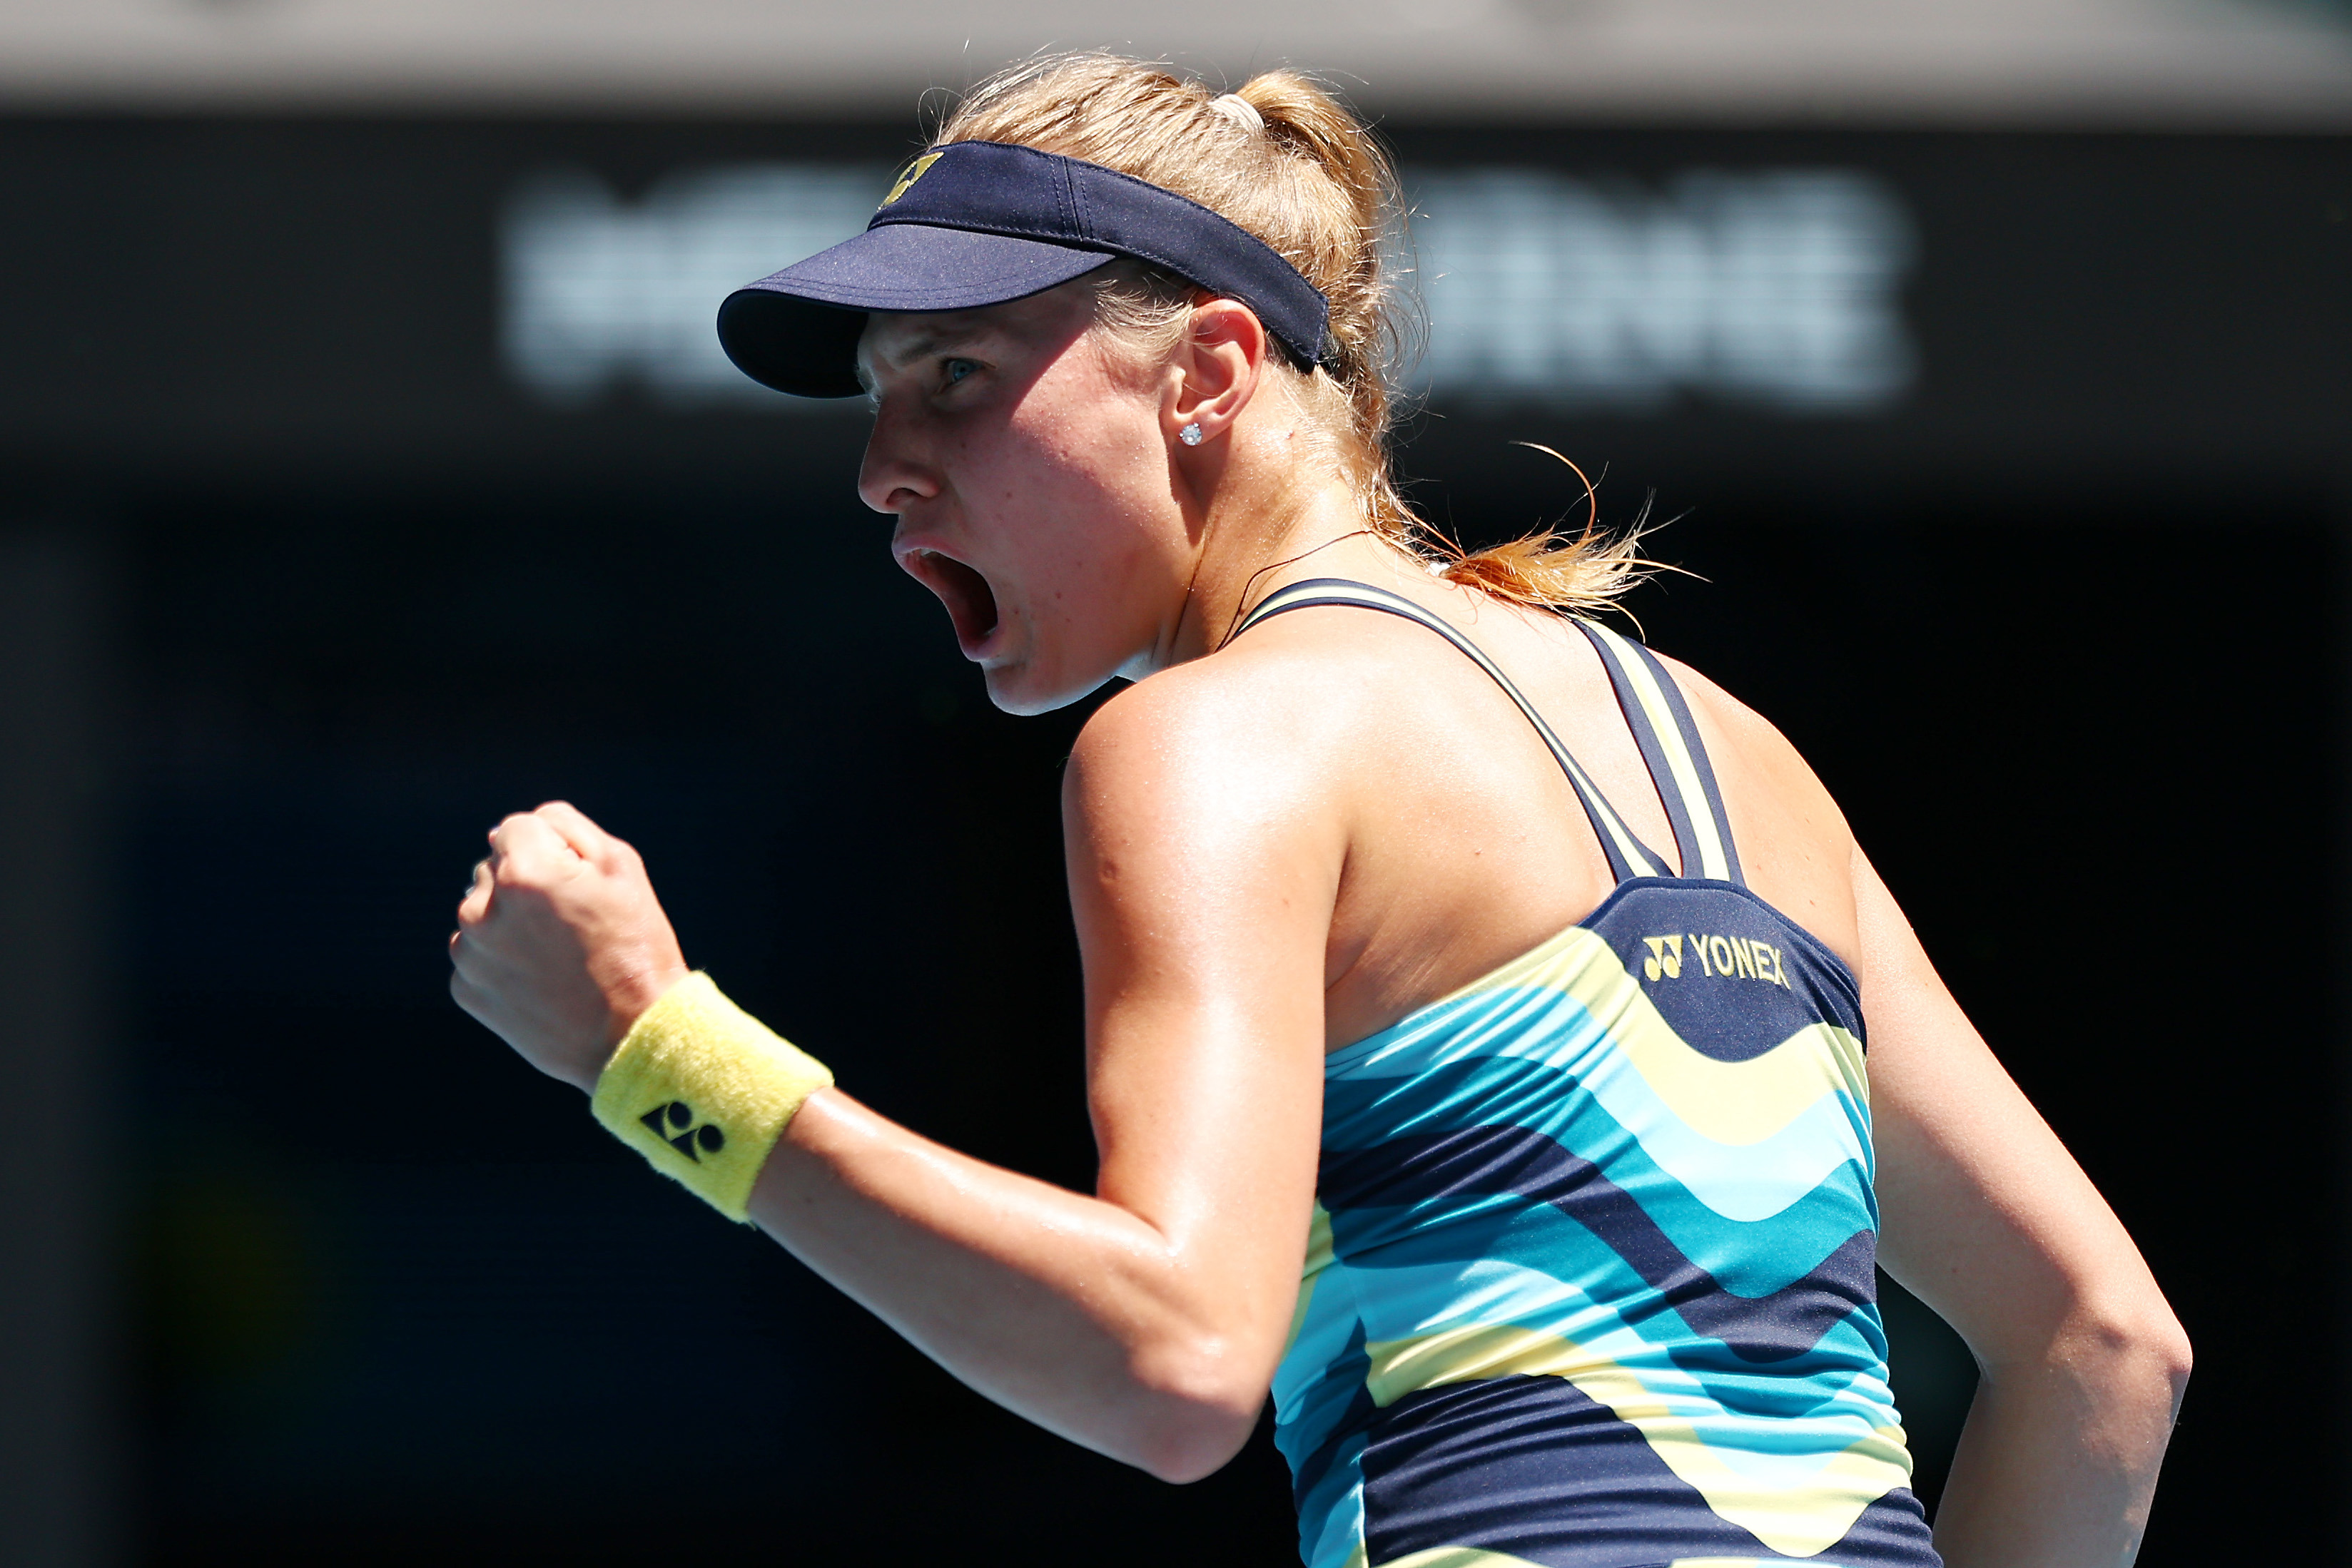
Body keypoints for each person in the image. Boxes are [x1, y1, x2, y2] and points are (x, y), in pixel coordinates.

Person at [448, 54, 2189, 1568]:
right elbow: (2103, 1341)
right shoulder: (1739, 749)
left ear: (1206, 372)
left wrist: (657, 1059)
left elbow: (1178, 1359)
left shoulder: (1214, 743)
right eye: (878, 392)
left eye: (956, 374)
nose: (880, 464)